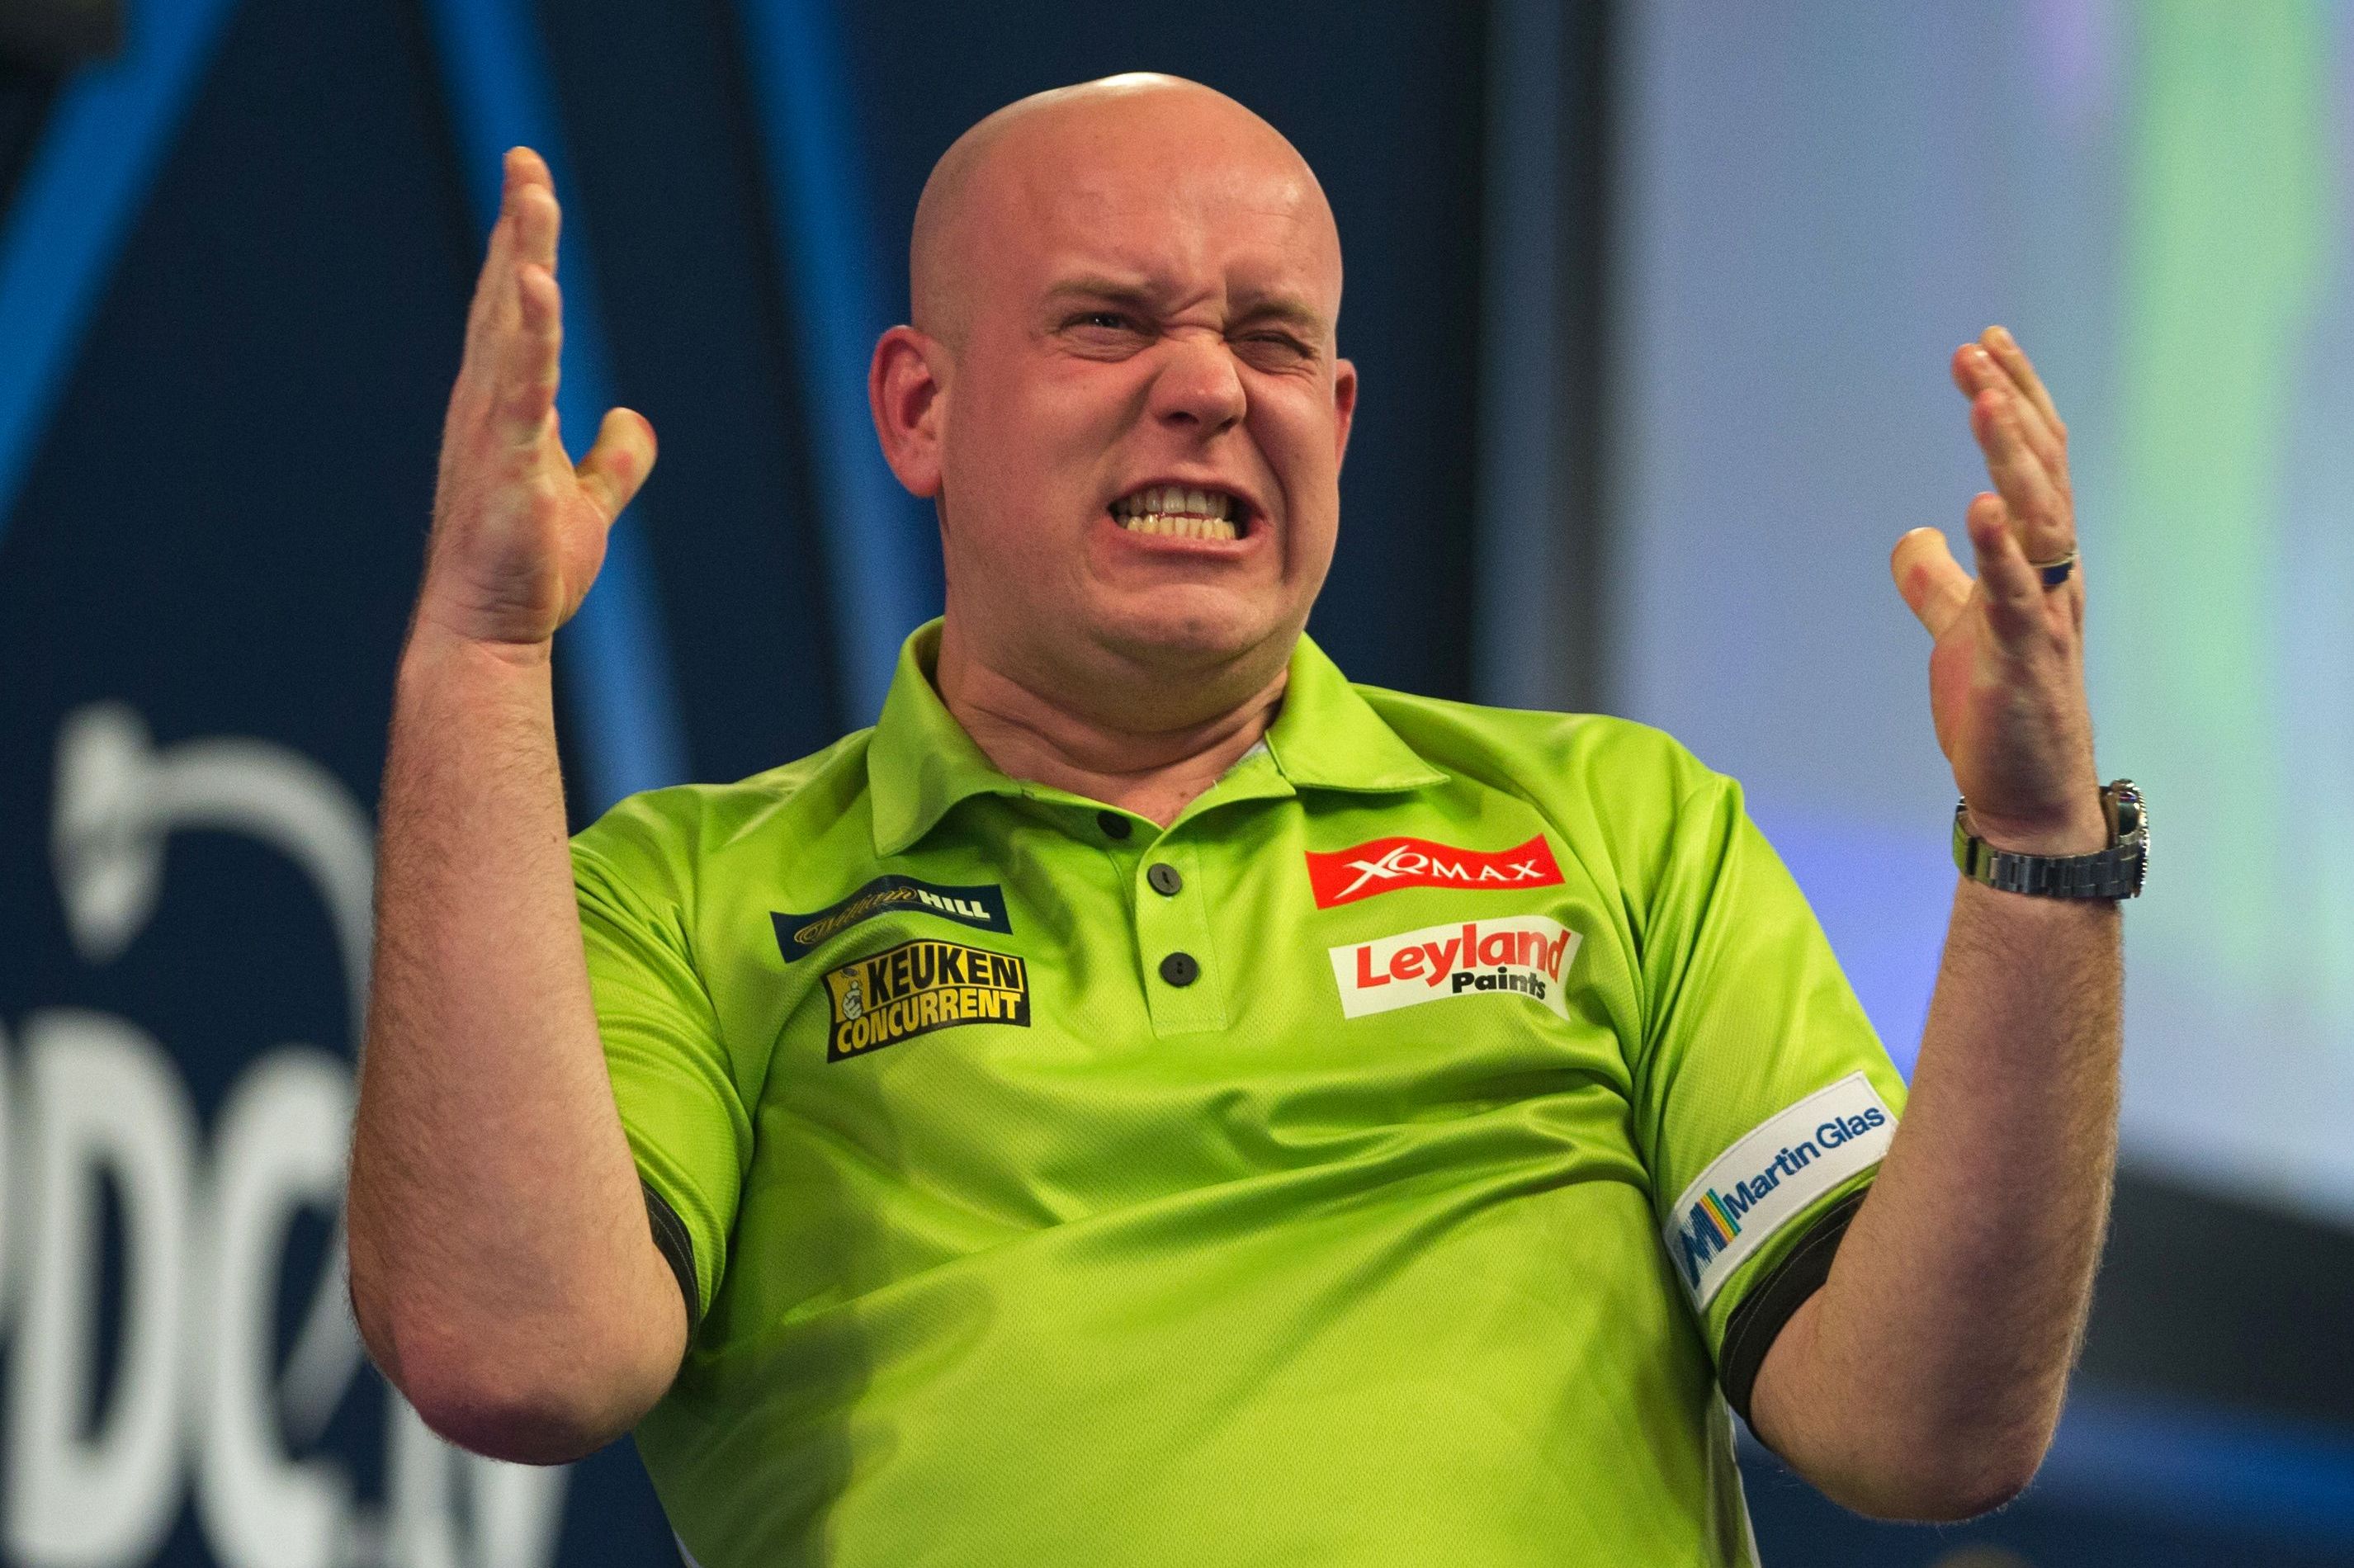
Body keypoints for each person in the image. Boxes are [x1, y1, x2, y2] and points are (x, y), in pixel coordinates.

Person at [347, 74, 2134, 1567]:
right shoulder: (689, 893)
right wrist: (482, 658)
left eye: (1273, 340)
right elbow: (516, 1352)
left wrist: (2039, 842)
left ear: (1336, 423)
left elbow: (1920, 1429)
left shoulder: (1620, 823)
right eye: (1108, 322)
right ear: (919, 407)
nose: (1209, 387)